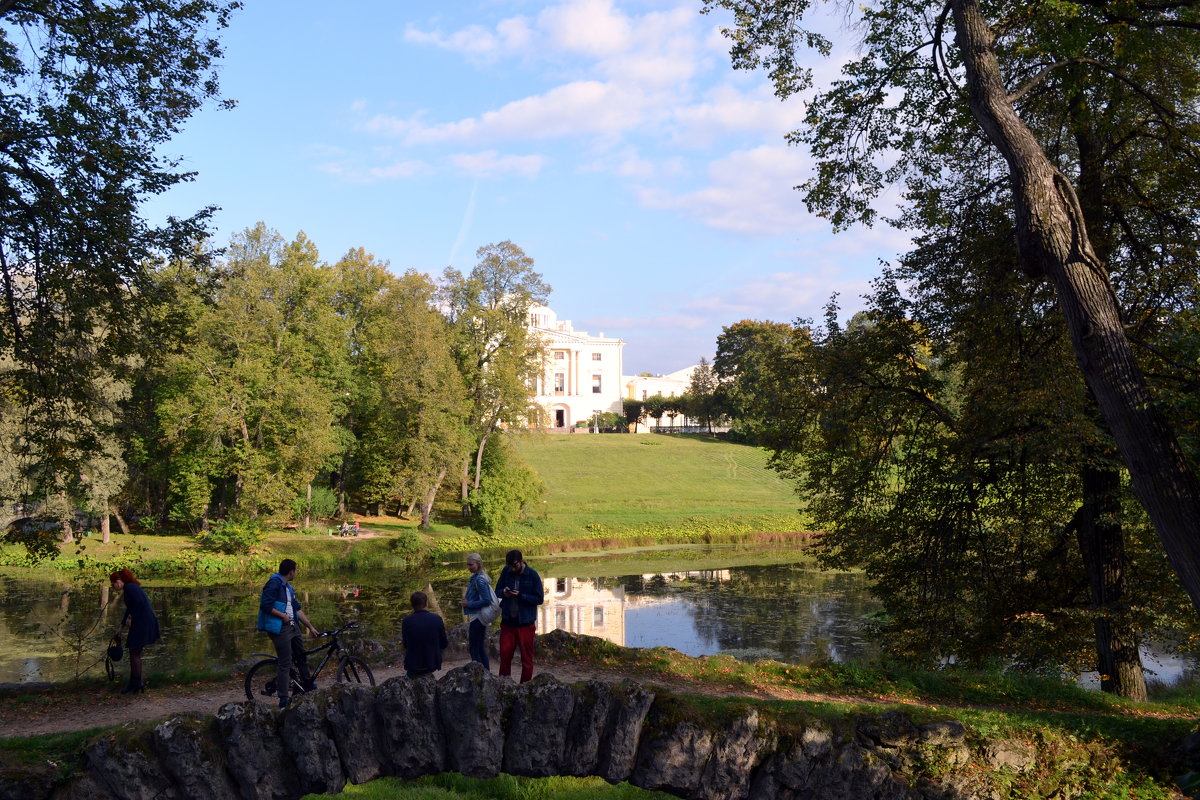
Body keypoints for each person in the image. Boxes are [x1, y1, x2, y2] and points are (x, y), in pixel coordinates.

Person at [257, 558, 319, 707]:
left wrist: (310, 627)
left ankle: (307, 685)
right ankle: (283, 699)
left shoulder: (288, 588)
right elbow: (265, 605)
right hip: (281, 628)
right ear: (291, 571)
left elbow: (297, 610)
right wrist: (282, 615)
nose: (295, 573)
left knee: (301, 656)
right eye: (295, 570)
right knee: (285, 663)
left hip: (293, 626)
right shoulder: (274, 583)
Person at [494, 549, 544, 683]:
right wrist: (504, 592)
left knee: (526, 660)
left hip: (525, 624)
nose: (512, 568)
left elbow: (539, 599)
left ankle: (524, 688)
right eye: (510, 566)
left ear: (521, 562)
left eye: (514, 566)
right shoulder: (506, 571)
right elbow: (497, 591)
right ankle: (504, 686)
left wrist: (521, 596)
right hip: (508, 622)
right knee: (505, 657)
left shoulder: (532, 575)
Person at [109, 568, 160, 694]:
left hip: (143, 623)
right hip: (143, 622)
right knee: (134, 652)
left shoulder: (130, 588)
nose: (113, 586)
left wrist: (131, 618)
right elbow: (130, 608)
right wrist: (121, 627)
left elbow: (138, 604)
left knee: (134, 652)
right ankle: (135, 683)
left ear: (119, 581)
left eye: (113, 583)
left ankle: (136, 683)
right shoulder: (131, 588)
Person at [402, 591, 448, 678]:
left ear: (412, 604)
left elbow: (405, 644)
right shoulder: (436, 618)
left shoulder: (406, 621)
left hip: (414, 662)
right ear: (426, 603)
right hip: (432, 661)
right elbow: (444, 643)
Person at [461, 553, 493, 670]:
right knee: (479, 646)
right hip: (478, 616)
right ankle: (485, 673)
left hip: (478, 617)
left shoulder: (479, 580)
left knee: (474, 647)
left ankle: (479, 673)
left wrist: (469, 604)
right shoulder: (477, 577)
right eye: (467, 565)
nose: (469, 567)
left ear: (478, 564)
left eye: (471, 565)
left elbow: (487, 600)